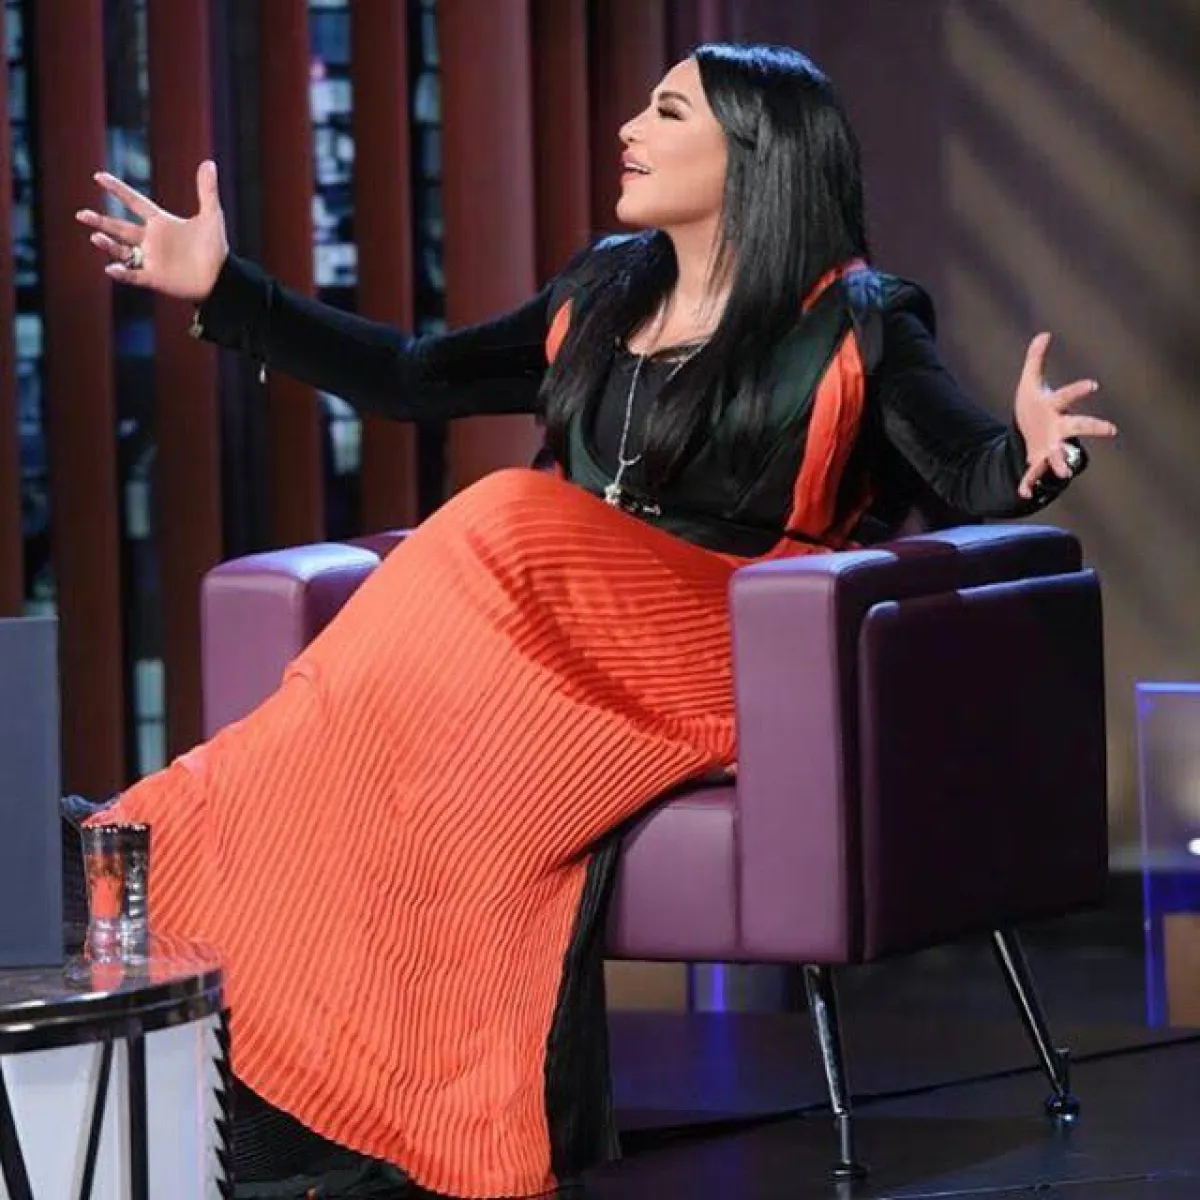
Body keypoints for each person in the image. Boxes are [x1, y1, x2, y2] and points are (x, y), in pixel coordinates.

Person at [73, 43, 1115, 1200]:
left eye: (667, 112)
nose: (629, 129)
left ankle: (144, 842)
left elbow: (967, 467)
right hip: (563, 631)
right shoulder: (605, 290)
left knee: (507, 512)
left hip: (727, 638)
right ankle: (222, 958)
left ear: (754, 155)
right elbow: (415, 377)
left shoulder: (859, 319)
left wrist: (1030, 457)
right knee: (401, 742)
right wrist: (229, 292)